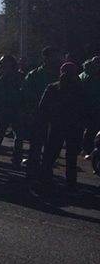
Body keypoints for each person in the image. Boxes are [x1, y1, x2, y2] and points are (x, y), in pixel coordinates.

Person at [38, 62, 88, 192]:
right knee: (71, 159)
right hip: (74, 127)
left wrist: (48, 120)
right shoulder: (80, 89)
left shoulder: (53, 88)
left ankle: (44, 181)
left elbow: (42, 107)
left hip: (56, 125)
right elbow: (86, 109)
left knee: (49, 156)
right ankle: (71, 186)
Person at [21, 46, 63, 180]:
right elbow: (26, 93)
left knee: (53, 148)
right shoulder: (34, 75)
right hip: (39, 116)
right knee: (36, 146)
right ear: (45, 57)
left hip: (56, 117)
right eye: (54, 56)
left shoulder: (61, 75)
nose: (57, 59)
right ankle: (32, 173)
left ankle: (46, 172)